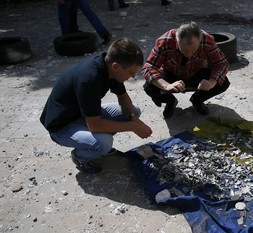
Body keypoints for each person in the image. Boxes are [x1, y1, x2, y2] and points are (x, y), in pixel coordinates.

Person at [40, 38, 152, 174]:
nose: (134, 76)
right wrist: (133, 126)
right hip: (61, 126)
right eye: (130, 72)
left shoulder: (109, 66)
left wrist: (134, 119)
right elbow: (95, 125)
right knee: (104, 142)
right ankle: (80, 157)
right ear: (116, 66)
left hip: (81, 114)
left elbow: (122, 96)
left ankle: (93, 144)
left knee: (134, 111)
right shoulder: (90, 79)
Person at [141, 21, 230, 119]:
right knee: (149, 87)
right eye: (184, 50)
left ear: (200, 41)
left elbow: (222, 63)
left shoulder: (207, 40)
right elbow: (148, 67)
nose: (189, 54)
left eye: (194, 50)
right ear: (177, 40)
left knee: (223, 82)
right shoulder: (165, 41)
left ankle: (197, 100)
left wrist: (211, 82)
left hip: (197, 73)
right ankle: (170, 101)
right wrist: (166, 86)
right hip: (171, 74)